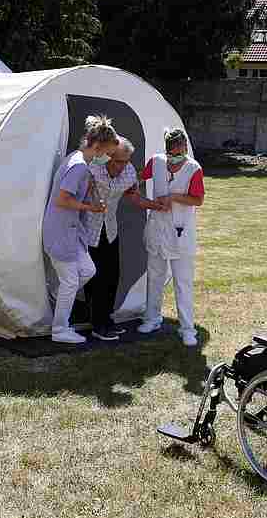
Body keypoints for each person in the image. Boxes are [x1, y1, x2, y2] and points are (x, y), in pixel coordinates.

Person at [43, 115, 120, 344]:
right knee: (70, 281)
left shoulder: (78, 161)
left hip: (71, 231)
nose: (107, 157)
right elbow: (62, 200)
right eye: (107, 152)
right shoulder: (78, 167)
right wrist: (91, 207)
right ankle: (60, 329)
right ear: (97, 147)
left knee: (87, 271)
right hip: (61, 231)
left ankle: (58, 297)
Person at [84, 136, 161, 340]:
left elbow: (133, 196)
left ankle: (106, 319)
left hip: (109, 229)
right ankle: (97, 324)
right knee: (94, 277)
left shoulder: (127, 172)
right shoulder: (91, 169)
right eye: (119, 161)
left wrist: (156, 205)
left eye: (126, 161)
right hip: (87, 229)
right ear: (108, 156)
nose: (123, 166)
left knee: (112, 276)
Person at [137, 128, 205, 347]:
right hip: (157, 228)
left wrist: (173, 197)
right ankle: (152, 319)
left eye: (180, 150)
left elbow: (197, 200)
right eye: (172, 151)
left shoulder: (193, 168)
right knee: (155, 277)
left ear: (185, 147)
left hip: (181, 232)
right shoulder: (156, 162)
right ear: (166, 149)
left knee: (182, 282)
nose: (176, 154)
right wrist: (142, 198)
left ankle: (187, 328)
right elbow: (138, 177)